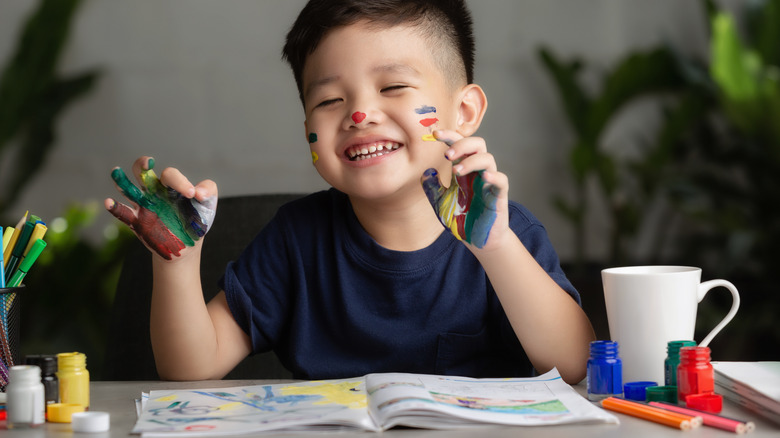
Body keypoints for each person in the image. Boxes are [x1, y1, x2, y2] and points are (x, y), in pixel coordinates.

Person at [105, 0, 596, 384]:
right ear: (307, 132)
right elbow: (190, 367)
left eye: (393, 87)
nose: (359, 114)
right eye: (330, 99)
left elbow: (574, 364)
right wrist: (178, 261)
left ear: (464, 112)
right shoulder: (294, 241)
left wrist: (496, 250)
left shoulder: (508, 235)